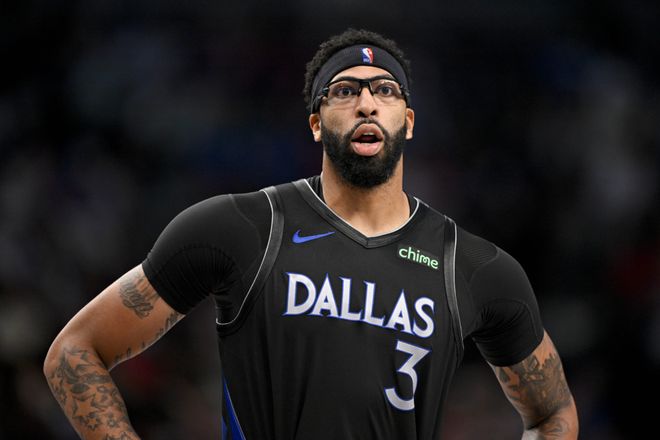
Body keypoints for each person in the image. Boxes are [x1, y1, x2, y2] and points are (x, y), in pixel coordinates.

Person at [44, 28, 579, 439]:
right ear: (317, 123)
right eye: (344, 90)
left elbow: (553, 412)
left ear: (409, 121)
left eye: (385, 90)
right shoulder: (242, 227)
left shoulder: (474, 267)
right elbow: (74, 351)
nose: (366, 103)